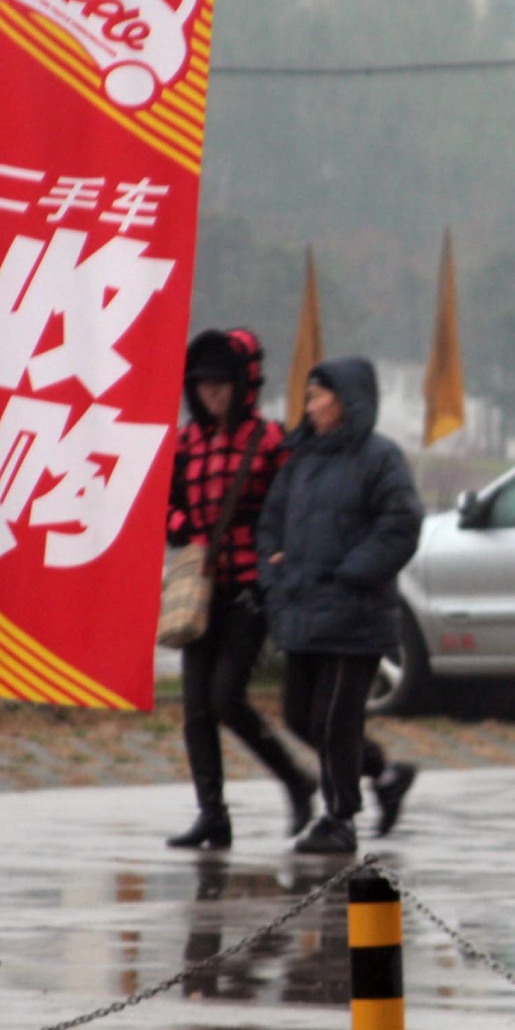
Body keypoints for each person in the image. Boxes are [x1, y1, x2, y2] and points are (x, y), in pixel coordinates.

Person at [258, 356, 423, 854]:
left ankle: (339, 818)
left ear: (346, 401)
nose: (308, 407)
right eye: (307, 397)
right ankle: (385, 774)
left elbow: (401, 524)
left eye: (317, 396)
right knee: (299, 716)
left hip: (356, 613)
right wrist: (274, 569)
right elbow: (271, 523)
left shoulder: (380, 458)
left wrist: (352, 571)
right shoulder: (302, 459)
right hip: (304, 608)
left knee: (335, 720)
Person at [163, 328, 317, 850]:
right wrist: (180, 522)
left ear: (243, 384)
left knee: (226, 698)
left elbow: (292, 509)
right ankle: (212, 814)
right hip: (201, 590)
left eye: (221, 383)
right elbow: (164, 503)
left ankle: (296, 780)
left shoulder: (269, 440)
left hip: (250, 589)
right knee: (195, 709)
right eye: (202, 383)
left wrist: (279, 567)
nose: (211, 392)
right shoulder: (185, 442)